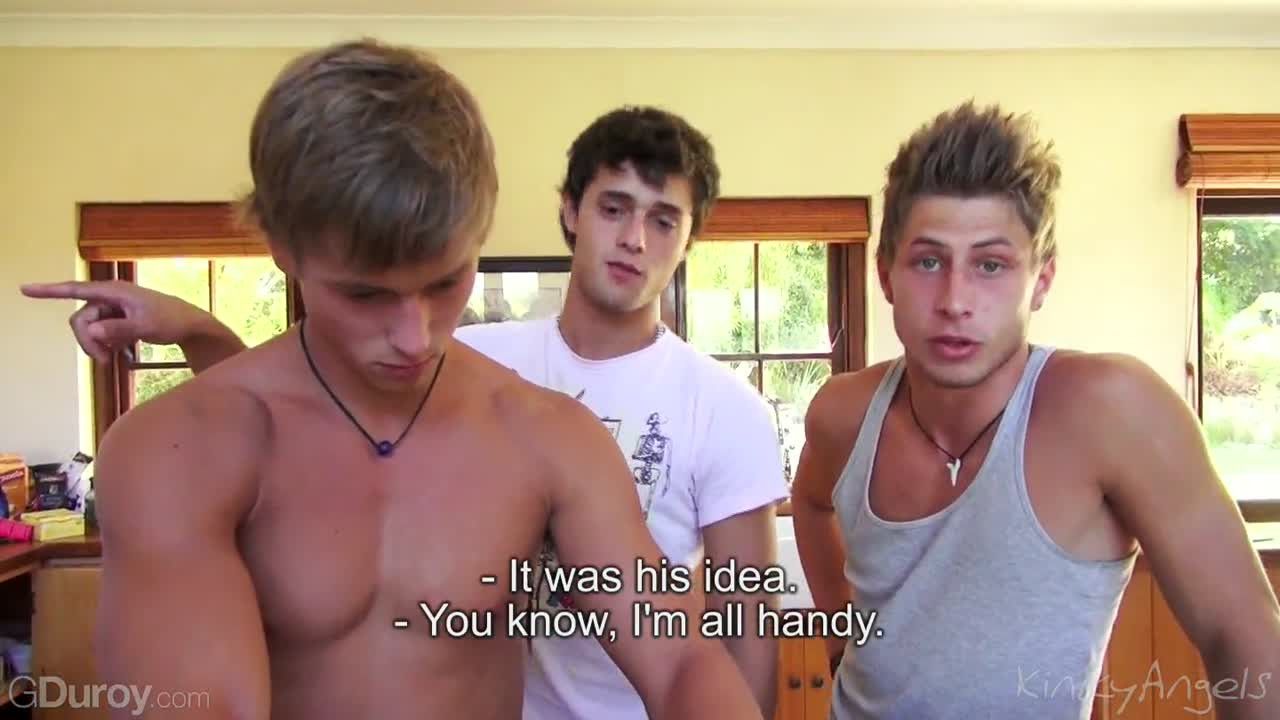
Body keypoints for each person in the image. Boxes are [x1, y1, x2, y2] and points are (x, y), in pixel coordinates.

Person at [20, 39, 771, 720]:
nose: (416, 338)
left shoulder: (548, 435)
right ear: (283, 249)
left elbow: (680, 661)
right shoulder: (171, 450)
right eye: (366, 295)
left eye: (445, 284)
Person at [790, 101, 1280, 719]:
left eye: (990, 265)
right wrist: (841, 640)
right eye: (928, 261)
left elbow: (1245, 633)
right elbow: (810, 504)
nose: (955, 300)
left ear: (1041, 280)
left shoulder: (1112, 411)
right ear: (886, 274)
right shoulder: (843, 412)